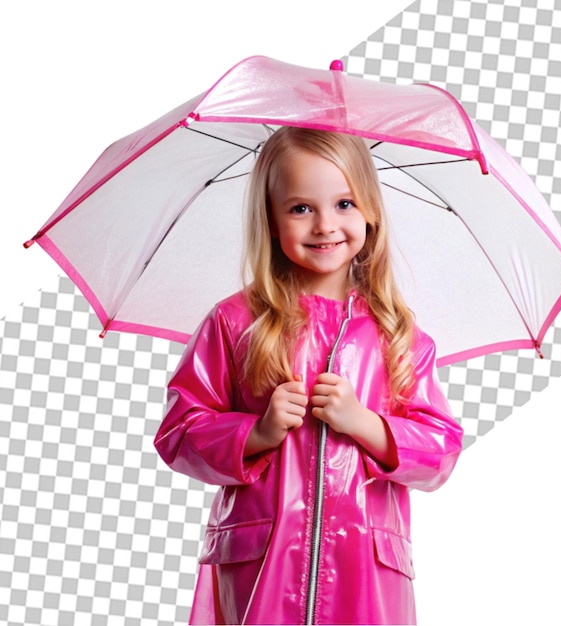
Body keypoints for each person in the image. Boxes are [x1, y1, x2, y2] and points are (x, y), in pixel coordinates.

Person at [154, 127, 463, 625]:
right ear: (271, 220)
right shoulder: (236, 322)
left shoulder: (396, 335)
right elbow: (179, 431)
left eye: (344, 203)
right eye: (301, 208)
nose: (325, 225)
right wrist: (256, 432)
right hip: (263, 560)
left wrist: (367, 424)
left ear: (370, 212)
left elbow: (441, 449)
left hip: (365, 564)